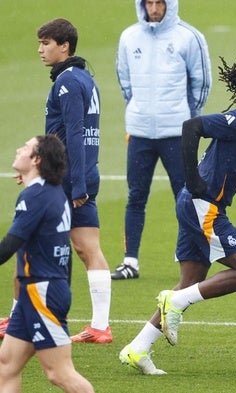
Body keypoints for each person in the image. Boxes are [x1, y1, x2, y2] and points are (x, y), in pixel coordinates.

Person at [119, 47, 236, 374]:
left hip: (201, 206)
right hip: (202, 205)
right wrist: (193, 178)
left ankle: (137, 349)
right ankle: (175, 305)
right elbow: (192, 127)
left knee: (190, 281)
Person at [112, 0, 212, 280]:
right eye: (149, 3)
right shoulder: (129, 37)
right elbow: (125, 81)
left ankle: (189, 255)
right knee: (135, 196)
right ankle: (130, 261)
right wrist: (138, 110)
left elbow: (201, 82)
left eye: (159, 3)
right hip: (140, 131)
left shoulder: (189, 37)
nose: (154, 8)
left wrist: (189, 118)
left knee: (184, 194)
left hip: (176, 131)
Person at [0, 135, 94, 393]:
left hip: (42, 292)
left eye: (26, 147)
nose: (19, 149)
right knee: (6, 366)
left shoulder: (35, 196)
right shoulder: (53, 193)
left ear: (37, 160)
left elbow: (10, 244)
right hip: (41, 291)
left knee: (59, 373)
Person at [38, 18, 112, 343]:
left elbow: (76, 133)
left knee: (42, 246)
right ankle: (100, 326)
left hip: (67, 176)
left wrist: (76, 184)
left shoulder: (67, 82)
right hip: (84, 173)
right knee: (87, 248)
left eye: (46, 43)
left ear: (64, 46)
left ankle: (43, 318)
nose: (40, 50)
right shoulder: (85, 77)